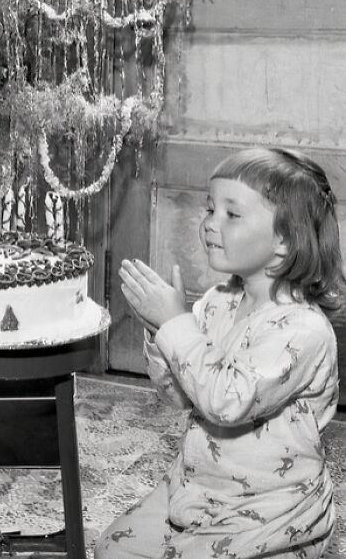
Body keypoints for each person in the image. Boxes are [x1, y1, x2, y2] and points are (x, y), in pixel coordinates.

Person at [96, 146, 345, 559]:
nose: (210, 223)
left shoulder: (304, 329)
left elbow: (227, 400)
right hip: (200, 487)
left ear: (284, 242)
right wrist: (163, 330)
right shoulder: (217, 301)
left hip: (270, 510)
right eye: (210, 209)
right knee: (111, 550)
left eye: (231, 214)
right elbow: (179, 395)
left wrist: (178, 325)